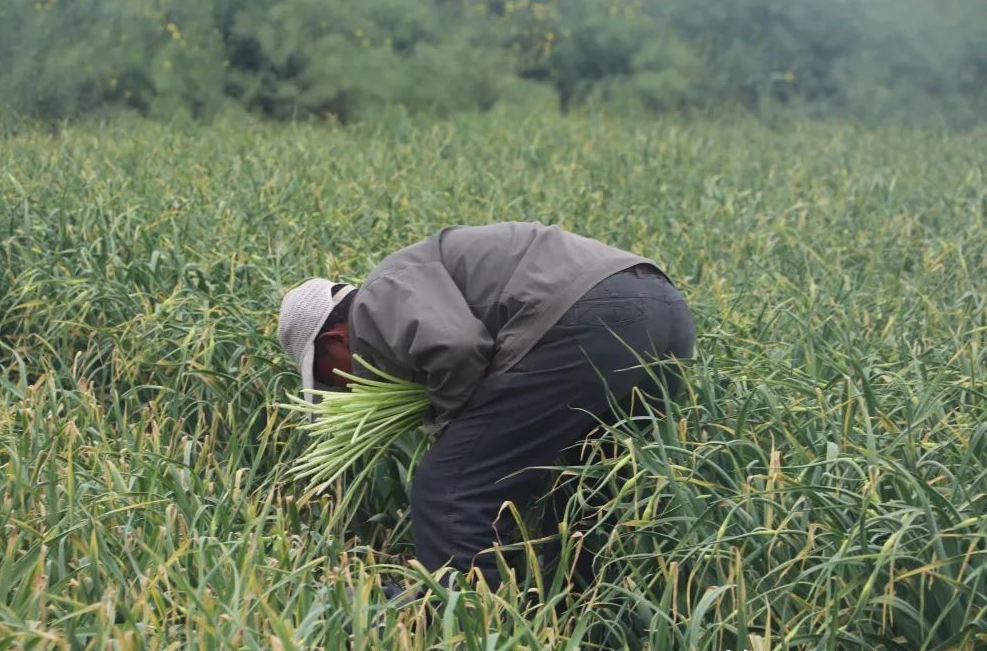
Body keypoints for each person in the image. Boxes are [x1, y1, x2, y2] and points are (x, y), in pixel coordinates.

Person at [277, 221, 696, 595]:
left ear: (334, 337)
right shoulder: (405, 284)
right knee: (578, 487)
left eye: (330, 376)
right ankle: (585, 613)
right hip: (664, 311)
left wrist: (450, 425)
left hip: (591, 313)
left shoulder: (375, 299)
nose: (344, 388)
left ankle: (459, 615)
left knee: (451, 484)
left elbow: (457, 348)